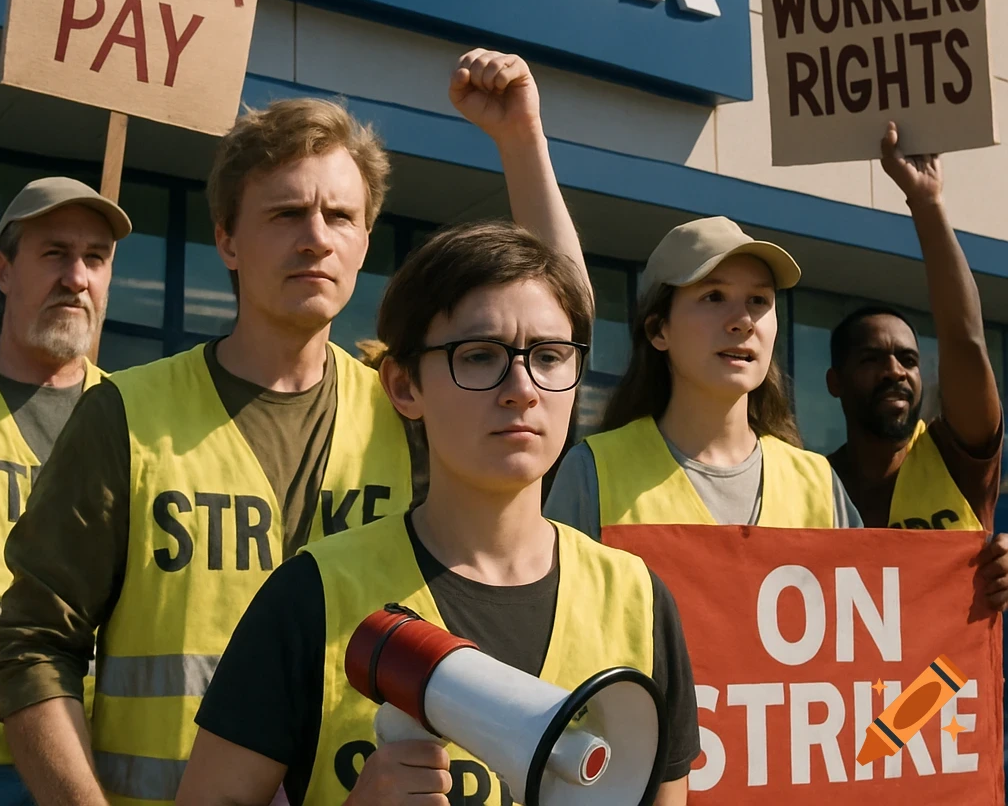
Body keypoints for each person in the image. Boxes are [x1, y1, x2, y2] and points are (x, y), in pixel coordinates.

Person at [0, 50, 589, 806]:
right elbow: (34, 646)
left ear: (366, 240)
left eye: (340, 216)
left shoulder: (408, 408)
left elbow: (558, 323)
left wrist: (522, 141)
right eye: (285, 214)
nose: (316, 237)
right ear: (228, 242)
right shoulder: (125, 414)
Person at [175, 220, 700, 806]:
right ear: (403, 385)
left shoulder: (638, 601)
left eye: (550, 356)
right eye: (479, 356)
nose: (522, 387)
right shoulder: (313, 594)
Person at [545, 216, 862, 536]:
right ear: (658, 329)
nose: (743, 321)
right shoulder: (593, 471)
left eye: (758, 300)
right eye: (714, 296)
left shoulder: (819, 486)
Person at [0, 178, 131, 806]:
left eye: (95, 258)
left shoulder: (140, 419)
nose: (77, 276)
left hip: (97, 768)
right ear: (4, 271)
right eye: (54, 254)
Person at [826, 123, 1008, 606]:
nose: (895, 371)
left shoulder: (957, 461)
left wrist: (927, 204)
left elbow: (965, 342)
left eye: (907, 358)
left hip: (948, 684)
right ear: (835, 383)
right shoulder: (808, 486)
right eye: (871, 359)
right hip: (847, 685)